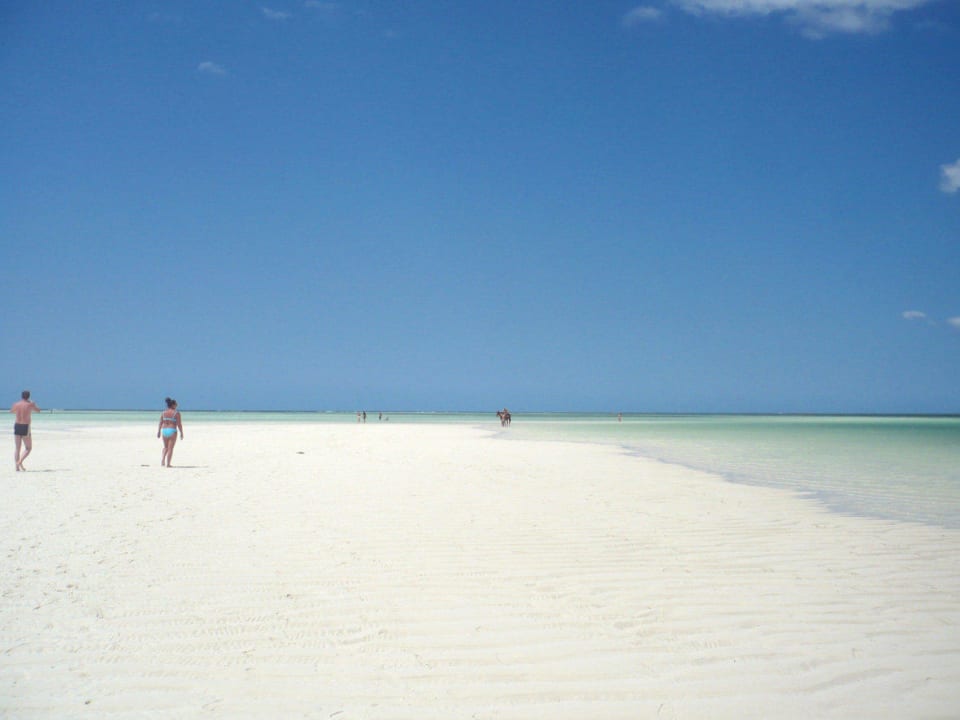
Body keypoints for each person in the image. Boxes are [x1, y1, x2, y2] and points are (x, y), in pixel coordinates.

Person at [11, 390, 40, 471]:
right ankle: (19, 462)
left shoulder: (16, 404)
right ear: (29, 396)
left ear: (21, 396)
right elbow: (38, 410)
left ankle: (17, 468)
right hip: (25, 426)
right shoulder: (30, 404)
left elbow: (11, 411)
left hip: (17, 425)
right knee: (28, 448)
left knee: (17, 448)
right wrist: (32, 404)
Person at [157, 397, 184, 467]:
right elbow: (179, 424)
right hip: (172, 430)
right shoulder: (176, 413)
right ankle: (168, 464)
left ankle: (163, 460)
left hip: (164, 430)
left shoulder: (163, 412)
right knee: (170, 448)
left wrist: (159, 431)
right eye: (176, 405)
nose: (177, 406)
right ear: (173, 405)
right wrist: (181, 433)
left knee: (165, 447)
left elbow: (160, 422)